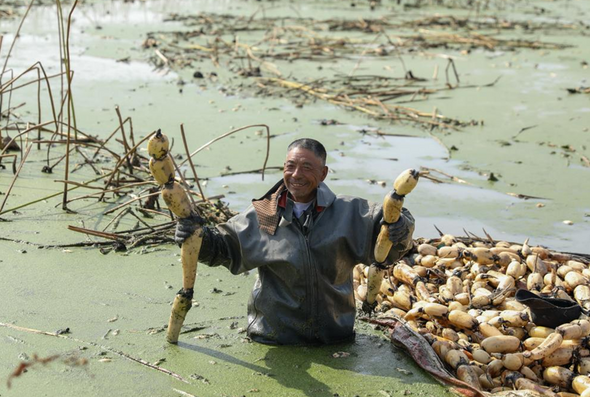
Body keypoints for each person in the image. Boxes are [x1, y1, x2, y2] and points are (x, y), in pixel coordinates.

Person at [175, 138, 414, 345]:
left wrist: (401, 227)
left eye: (307, 167)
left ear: (323, 173)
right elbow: (223, 248)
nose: (296, 175)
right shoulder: (264, 215)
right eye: (290, 166)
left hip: (335, 336)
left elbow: (389, 242)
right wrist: (195, 237)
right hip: (273, 337)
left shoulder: (349, 213)